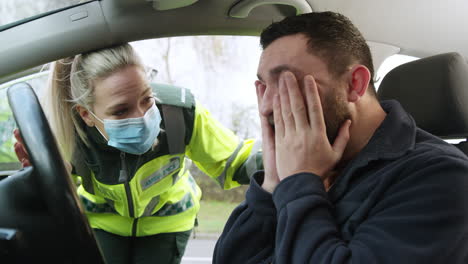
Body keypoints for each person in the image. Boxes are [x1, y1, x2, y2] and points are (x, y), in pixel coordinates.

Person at [213, 11, 468, 263]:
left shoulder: (442, 176)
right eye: (264, 87)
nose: (267, 106)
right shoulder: (298, 169)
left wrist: (301, 183)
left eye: (286, 83)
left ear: (354, 84)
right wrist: (272, 186)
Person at [13, 43, 261, 264]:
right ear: (86, 115)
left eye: (147, 99)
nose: (142, 117)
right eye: (121, 111)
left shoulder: (178, 114)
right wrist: (40, 180)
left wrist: (278, 154)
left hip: (168, 222)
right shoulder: (70, 133)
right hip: (104, 223)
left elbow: (235, 161)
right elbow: (59, 196)